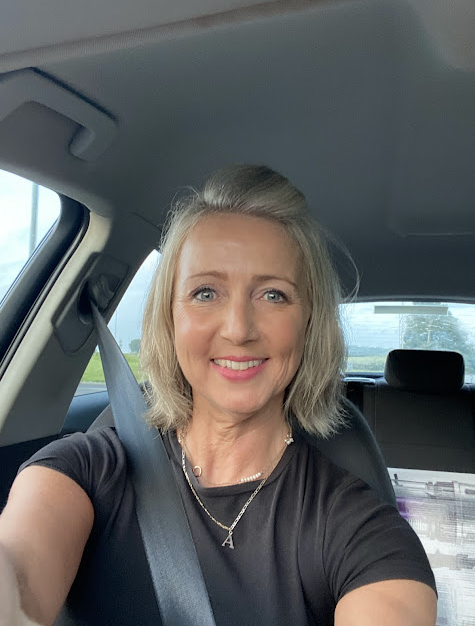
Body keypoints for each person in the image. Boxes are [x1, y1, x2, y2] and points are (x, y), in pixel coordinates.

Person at [0, 165, 437, 626]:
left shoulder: (358, 528)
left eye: (273, 295)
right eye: (206, 292)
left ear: (309, 325)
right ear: (170, 318)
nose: (238, 329)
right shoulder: (85, 470)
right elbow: (19, 569)